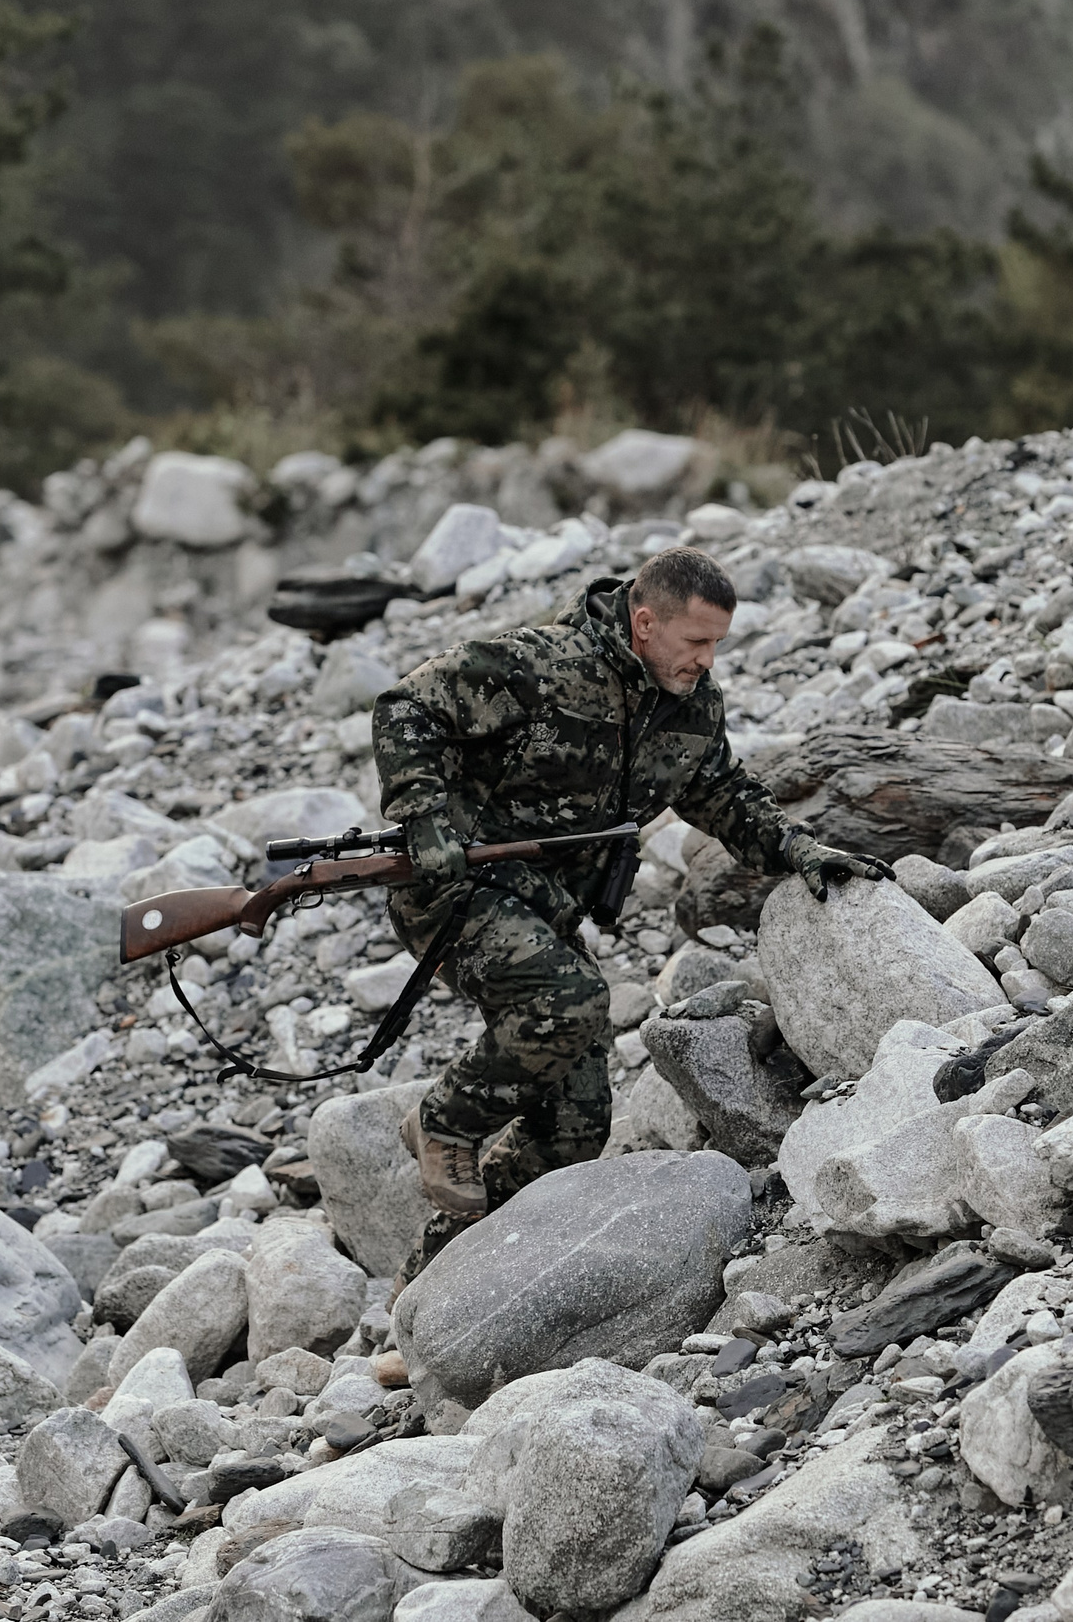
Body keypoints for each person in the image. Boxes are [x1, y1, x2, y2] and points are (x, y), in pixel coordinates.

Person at [369, 544, 890, 1283]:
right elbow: (406, 708)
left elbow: (724, 795)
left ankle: (443, 1280)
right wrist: (422, 816)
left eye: (718, 643)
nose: (709, 660)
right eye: (697, 641)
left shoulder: (689, 703)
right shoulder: (540, 664)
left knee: (576, 1128)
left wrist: (800, 850)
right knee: (571, 1002)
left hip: (543, 909)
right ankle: (445, 1119)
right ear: (645, 623)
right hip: (456, 893)